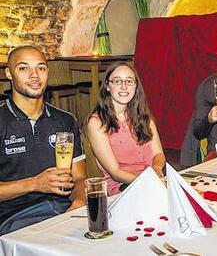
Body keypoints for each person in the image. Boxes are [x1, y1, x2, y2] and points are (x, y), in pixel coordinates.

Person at [0, 46, 86, 235]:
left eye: (41, 68)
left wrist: (79, 201)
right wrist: (35, 183)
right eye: (24, 68)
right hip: (15, 218)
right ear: (9, 73)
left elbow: (79, 178)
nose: (35, 75)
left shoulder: (65, 120)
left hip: (64, 210)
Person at [85, 62, 165, 195]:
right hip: (123, 188)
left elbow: (159, 154)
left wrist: (156, 168)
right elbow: (115, 173)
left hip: (152, 182)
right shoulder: (96, 123)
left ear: (135, 86)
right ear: (107, 86)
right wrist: (148, 182)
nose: (124, 86)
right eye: (117, 81)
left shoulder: (144, 117)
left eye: (129, 81)